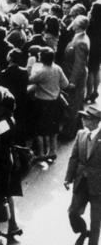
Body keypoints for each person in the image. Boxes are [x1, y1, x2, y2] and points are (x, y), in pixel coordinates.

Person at [65, 104, 101, 245]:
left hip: (98, 186)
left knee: (96, 220)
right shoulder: (81, 134)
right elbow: (74, 157)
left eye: (86, 118)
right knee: (73, 212)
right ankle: (82, 230)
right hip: (81, 182)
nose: (83, 120)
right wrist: (68, 178)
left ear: (95, 121)